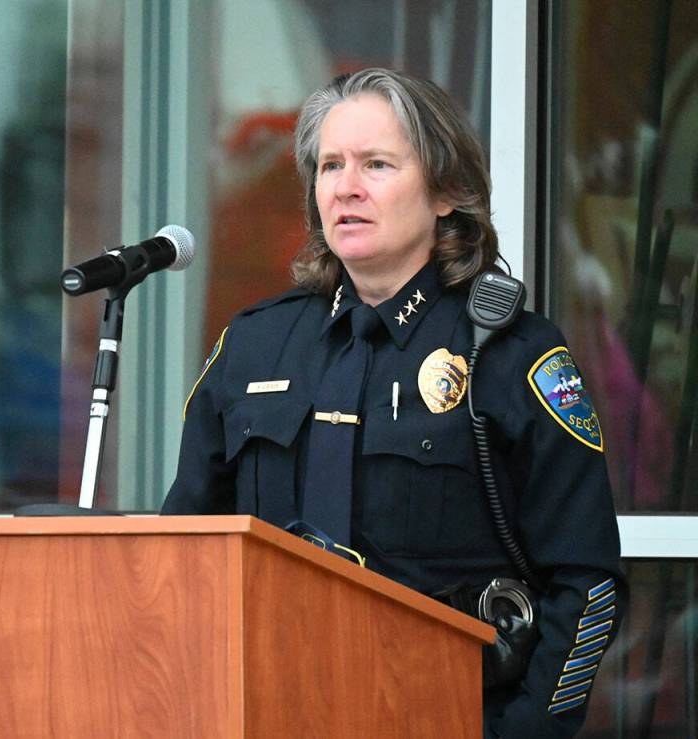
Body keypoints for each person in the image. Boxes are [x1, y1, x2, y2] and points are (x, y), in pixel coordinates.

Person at [161, 68, 625, 738]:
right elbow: (185, 560)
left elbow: (588, 586)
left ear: (447, 192)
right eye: (330, 166)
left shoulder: (510, 354)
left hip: (441, 715)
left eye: (377, 164)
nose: (346, 186)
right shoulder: (253, 346)